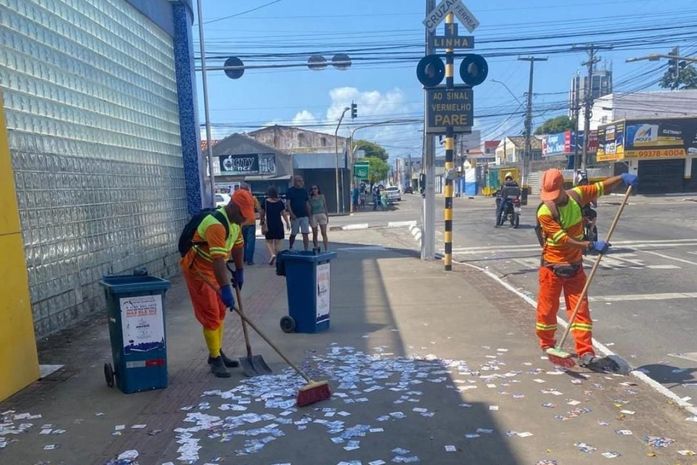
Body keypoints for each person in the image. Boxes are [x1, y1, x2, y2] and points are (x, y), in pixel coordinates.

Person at [536, 168, 638, 371]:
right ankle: (547, 343)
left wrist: (621, 178)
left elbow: (601, 188)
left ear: (564, 188)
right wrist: (590, 246)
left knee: (580, 311)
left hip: (574, 267)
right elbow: (562, 240)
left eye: (555, 195)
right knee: (547, 311)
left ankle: (586, 352)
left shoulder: (577, 196)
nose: (552, 200)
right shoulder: (545, 211)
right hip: (552, 268)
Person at [180, 189, 256, 378]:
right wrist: (225, 289)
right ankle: (215, 359)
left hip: (214, 270)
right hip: (198, 270)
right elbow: (218, 260)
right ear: (233, 207)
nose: (243, 220)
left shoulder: (234, 224)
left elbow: (238, 247)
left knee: (220, 311)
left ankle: (217, 351)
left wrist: (239, 271)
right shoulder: (216, 225)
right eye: (242, 215)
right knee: (211, 314)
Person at [260, 186, 289, 265]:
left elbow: (262, 213)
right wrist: (287, 223)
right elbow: (284, 214)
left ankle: (272, 254)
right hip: (278, 224)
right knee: (278, 243)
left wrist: (261, 221)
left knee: (268, 241)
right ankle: (278, 259)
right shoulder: (280, 202)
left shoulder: (265, 202)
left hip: (269, 224)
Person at [285, 175, 311, 251]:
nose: (301, 182)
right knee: (294, 233)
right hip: (295, 216)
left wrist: (309, 215)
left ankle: (306, 249)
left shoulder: (304, 191)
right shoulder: (290, 191)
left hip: (304, 215)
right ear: (295, 182)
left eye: (302, 181)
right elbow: (288, 204)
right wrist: (291, 214)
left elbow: (307, 203)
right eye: (299, 181)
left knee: (305, 233)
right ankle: (291, 246)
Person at [574, 170, 598, 242]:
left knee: (593, 214)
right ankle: (591, 230)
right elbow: (595, 204)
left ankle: (590, 230)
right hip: (583, 212)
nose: (584, 184)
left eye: (585, 182)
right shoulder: (588, 191)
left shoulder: (575, 191)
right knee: (593, 214)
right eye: (583, 182)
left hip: (579, 212)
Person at [239, 184, 261, 265]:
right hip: (251, 222)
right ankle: (250, 260)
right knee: (251, 242)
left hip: (241, 223)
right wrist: (262, 220)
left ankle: (243, 258)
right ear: (248, 190)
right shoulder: (253, 198)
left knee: (242, 242)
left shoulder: (238, 199)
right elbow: (259, 209)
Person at [309, 185, 329, 252]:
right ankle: (316, 247)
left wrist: (327, 215)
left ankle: (326, 248)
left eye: (315, 188)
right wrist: (310, 217)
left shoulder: (322, 196)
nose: (314, 190)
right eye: (312, 189)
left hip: (322, 214)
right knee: (315, 233)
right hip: (314, 215)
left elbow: (325, 206)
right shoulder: (310, 198)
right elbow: (309, 208)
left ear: (318, 189)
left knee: (324, 232)